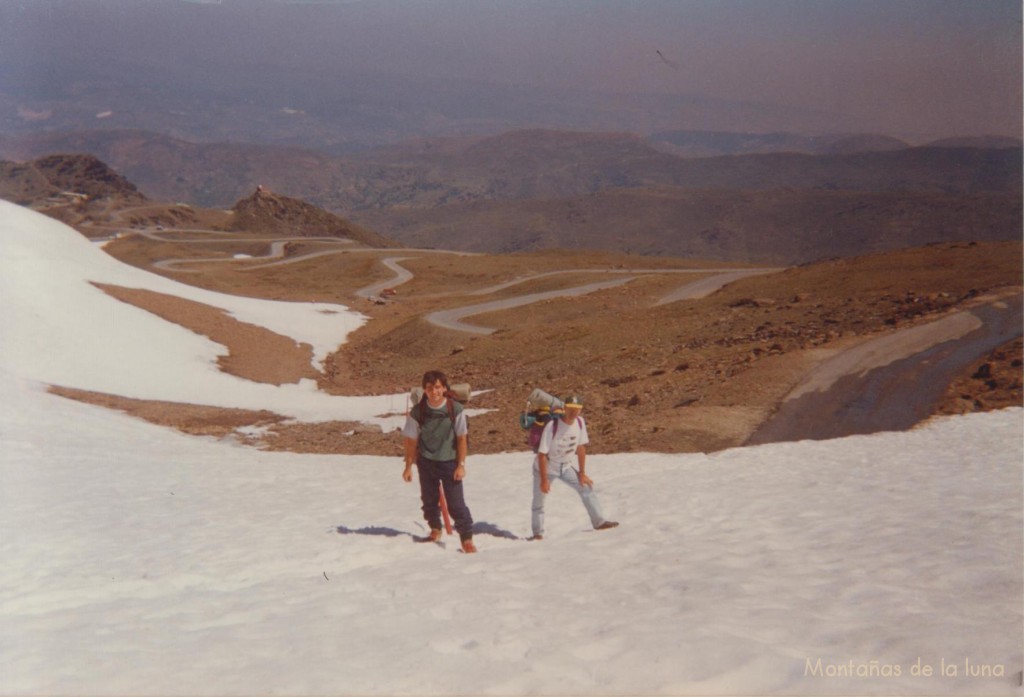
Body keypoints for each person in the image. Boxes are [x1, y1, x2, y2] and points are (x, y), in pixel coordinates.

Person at [402, 370, 476, 553]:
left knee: (456, 504)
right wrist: (408, 466)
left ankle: (466, 538)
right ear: (424, 390)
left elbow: (461, 438)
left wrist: (461, 465)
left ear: (443, 388)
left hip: (449, 462)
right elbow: (411, 440)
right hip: (426, 462)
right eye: (429, 388)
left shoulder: (454, 409)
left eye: (437, 387)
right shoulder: (418, 412)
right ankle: (435, 528)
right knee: (429, 500)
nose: (433, 392)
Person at [531, 394, 618, 540]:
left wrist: (582, 473)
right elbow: (542, 455)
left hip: (565, 467)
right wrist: (544, 480)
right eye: (571, 408)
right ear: (564, 408)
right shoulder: (552, 426)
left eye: (577, 409)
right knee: (539, 501)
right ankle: (538, 534)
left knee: (586, 488)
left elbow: (581, 447)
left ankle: (599, 522)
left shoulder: (580, 423)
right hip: (545, 468)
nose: (574, 412)